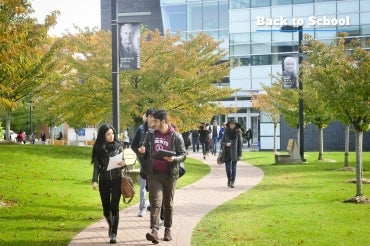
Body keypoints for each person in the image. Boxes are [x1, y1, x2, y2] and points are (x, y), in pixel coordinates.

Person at [138, 109, 186, 244]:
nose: (153, 123)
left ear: (163, 122)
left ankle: (168, 229)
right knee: (155, 202)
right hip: (154, 175)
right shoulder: (150, 134)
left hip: (170, 175)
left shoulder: (176, 136)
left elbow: (183, 155)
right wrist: (142, 151)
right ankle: (154, 230)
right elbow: (145, 149)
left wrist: (174, 159)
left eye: (156, 121)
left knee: (168, 204)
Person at [91, 124, 126, 244]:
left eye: (112, 133)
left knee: (114, 207)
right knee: (106, 210)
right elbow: (96, 166)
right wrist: (94, 180)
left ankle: (113, 234)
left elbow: (125, 161)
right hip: (104, 181)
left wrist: (124, 163)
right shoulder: (98, 148)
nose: (111, 136)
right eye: (108, 134)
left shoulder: (119, 146)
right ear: (103, 136)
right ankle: (111, 226)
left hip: (117, 180)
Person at [131, 108, 156, 217]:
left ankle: (154, 207)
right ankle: (142, 208)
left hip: (156, 163)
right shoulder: (141, 129)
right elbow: (133, 145)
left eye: (154, 117)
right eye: (150, 117)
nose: (152, 119)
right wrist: (139, 151)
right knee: (143, 186)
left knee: (154, 187)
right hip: (144, 162)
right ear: (147, 117)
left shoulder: (158, 129)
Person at [221, 118, 243, 188]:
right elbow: (222, 142)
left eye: (233, 124)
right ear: (229, 124)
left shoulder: (238, 132)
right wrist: (226, 144)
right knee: (228, 168)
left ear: (235, 125)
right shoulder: (226, 131)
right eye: (231, 124)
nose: (232, 125)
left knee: (233, 168)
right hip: (227, 152)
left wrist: (240, 154)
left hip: (235, 152)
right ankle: (229, 179)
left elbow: (240, 144)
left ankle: (232, 181)